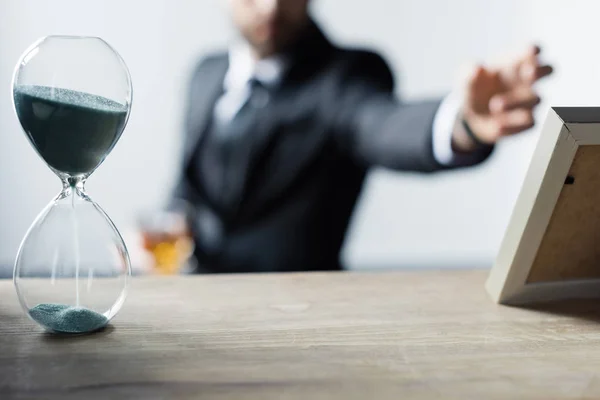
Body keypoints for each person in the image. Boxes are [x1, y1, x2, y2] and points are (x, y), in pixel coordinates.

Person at [169, 0, 553, 273]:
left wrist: (463, 123)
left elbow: (382, 124)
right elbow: (189, 189)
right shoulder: (205, 73)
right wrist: (168, 224)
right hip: (199, 300)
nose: (271, 6)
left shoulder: (347, 76)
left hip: (298, 317)